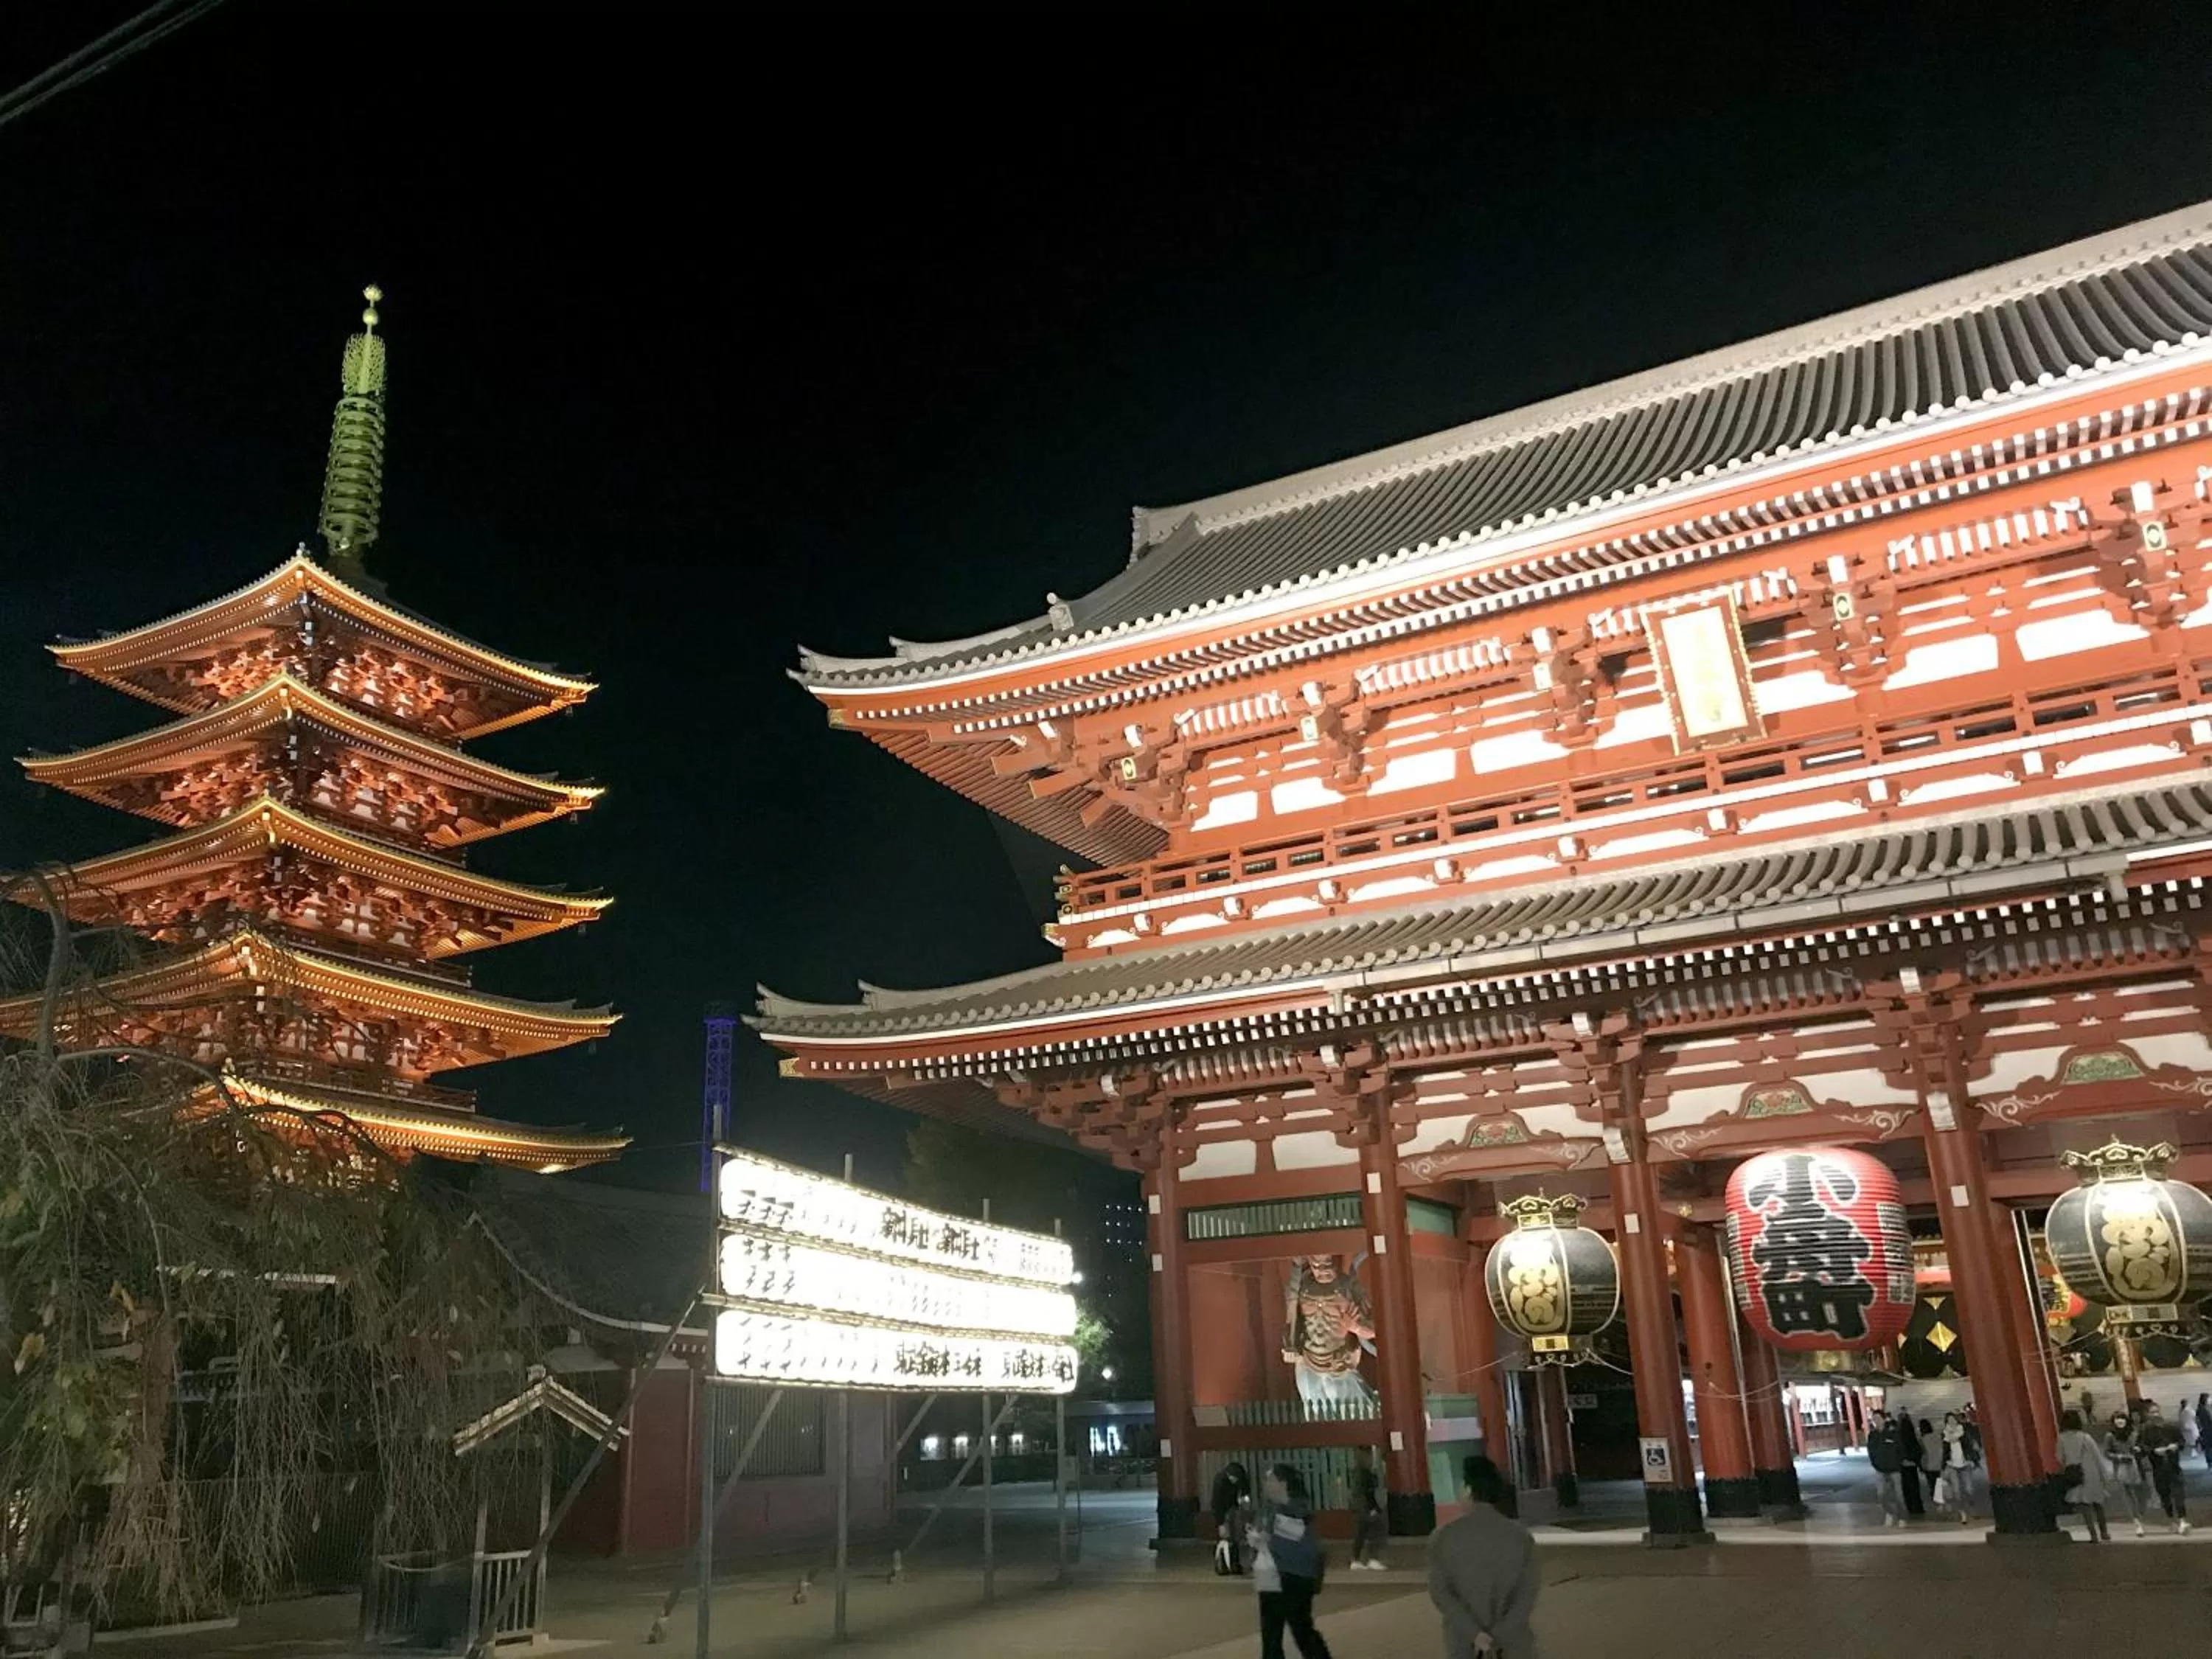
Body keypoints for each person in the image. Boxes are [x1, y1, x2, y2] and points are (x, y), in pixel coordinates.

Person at [1428, 1454, 1540, 1659]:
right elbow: (1527, 1593)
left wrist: (1475, 1634)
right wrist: (1500, 1634)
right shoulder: (1520, 1536)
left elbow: (1440, 1593)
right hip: (1513, 1643)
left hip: (1464, 1643)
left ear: (1468, 1489)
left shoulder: (1443, 1537)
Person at [1247, 1463, 1333, 1659]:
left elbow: (1294, 1545)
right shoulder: (1269, 1510)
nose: (1266, 1484)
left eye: (1270, 1479)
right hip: (1271, 1575)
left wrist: (1263, 1539)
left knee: (1301, 1628)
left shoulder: (1296, 1510)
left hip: (1294, 1576)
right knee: (1272, 1631)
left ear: (1283, 1483)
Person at [2057, 1408, 2112, 1542]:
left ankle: (2093, 1535)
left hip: (2075, 1473)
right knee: (2098, 1504)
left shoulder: (2061, 1438)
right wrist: (2104, 1475)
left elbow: (2059, 1457)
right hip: (2091, 1472)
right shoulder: (2086, 1437)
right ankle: (2104, 1532)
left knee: (2085, 1505)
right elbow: (2097, 1457)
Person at [2139, 1402, 2193, 1534]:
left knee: (2179, 1494)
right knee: (2165, 1495)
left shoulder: (2171, 1427)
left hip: (2174, 1466)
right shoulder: (2144, 1430)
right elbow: (2142, 1447)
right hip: (2158, 1467)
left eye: (2157, 1411)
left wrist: (2176, 1446)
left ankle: (2182, 1520)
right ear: (2147, 1415)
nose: (2156, 1415)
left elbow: (2182, 1442)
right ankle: (2171, 1520)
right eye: (2152, 1412)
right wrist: (2153, 1451)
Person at [2103, 1411, 2150, 1537]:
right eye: (2117, 1419)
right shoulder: (2110, 1436)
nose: (2120, 1421)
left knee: (2143, 1494)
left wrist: (2139, 1449)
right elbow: (2106, 1453)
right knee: (2129, 1495)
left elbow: (2144, 1446)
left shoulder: (2134, 1433)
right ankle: (2137, 1522)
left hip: (2138, 1465)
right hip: (2122, 1467)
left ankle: (2141, 1513)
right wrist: (2119, 1457)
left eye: (2122, 1418)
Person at [1866, 1409, 1908, 1527]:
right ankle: (1889, 1513)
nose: (1876, 1421)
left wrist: (1898, 1462)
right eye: (1874, 1419)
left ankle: (1902, 1517)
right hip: (1880, 1470)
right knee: (1881, 1495)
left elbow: (1901, 1449)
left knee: (1899, 1495)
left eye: (1878, 1418)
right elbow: (1871, 1451)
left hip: (1894, 1469)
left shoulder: (1893, 1433)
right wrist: (1875, 1464)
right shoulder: (1872, 1435)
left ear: (1884, 1419)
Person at [1348, 1446, 1387, 1571]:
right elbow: (1366, 1492)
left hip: (1358, 1507)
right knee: (1375, 1531)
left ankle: (1356, 1560)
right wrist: (1372, 1508)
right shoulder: (1363, 1473)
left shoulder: (1358, 1472)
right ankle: (1372, 1559)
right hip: (1364, 1507)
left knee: (1360, 1533)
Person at [1939, 1411, 1982, 1522]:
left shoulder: (1963, 1431)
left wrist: (1973, 1460)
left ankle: (1972, 1509)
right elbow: (1944, 1451)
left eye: (1953, 1419)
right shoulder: (1945, 1434)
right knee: (1956, 1491)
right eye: (1949, 1420)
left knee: (1969, 1489)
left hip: (1965, 1463)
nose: (1951, 1422)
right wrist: (1943, 1466)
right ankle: (1962, 1513)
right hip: (1952, 1465)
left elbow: (1970, 1446)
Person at [1211, 1460, 1251, 1574]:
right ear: (1228, 1475)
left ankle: (1234, 1564)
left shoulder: (1241, 1478)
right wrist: (1220, 1524)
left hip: (1234, 1507)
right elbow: (1217, 1504)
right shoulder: (1220, 1481)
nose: (1235, 1481)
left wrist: (1245, 1506)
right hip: (1222, 1509)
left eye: (1237, 1479)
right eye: (1233, 1478)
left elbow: (1246, 1493)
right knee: (1224, 1537)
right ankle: (1221, 1565)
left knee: (1235, 1538)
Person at [1897, 1413, 1927, 1516]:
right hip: (1912, 1465)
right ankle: (1918, 1507)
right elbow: (1918, 1450)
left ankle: (1910, 1506)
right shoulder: (1912, 1436)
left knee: (1906, 1487)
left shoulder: (1899, 1436)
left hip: (1903, 1465)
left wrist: (1902, 1460)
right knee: (1915, 1486)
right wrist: (1916, 1462)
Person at [1916, 1417, 1947, 1516]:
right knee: (1938, 1482)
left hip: (1928, 1464)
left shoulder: (1922, 1439)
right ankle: (1941, 1501)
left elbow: (1923, 1453)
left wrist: (1921, 1465)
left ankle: (1938, 1502)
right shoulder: (1937, 1436)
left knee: (1932, 1484)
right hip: (1938, 1462)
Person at [2197, 1394, 2212, 1471]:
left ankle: (2209, 1463)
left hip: (2206, 1431)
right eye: (2209, 1399)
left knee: (2208, 1448)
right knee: (2208, 1447)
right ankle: (2210, 1462)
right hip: (2208, 1431)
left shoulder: (2201, 1408)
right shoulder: (2203, 1410)